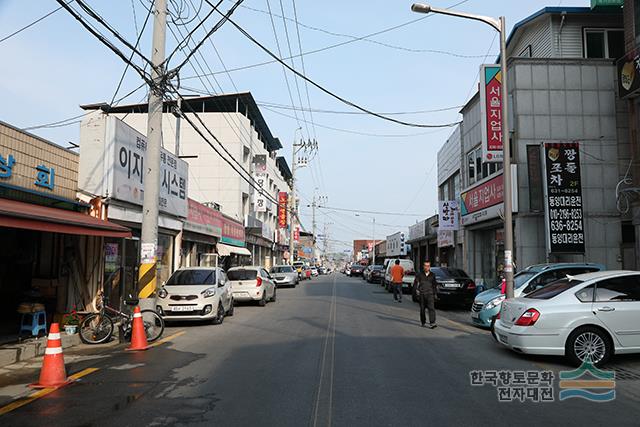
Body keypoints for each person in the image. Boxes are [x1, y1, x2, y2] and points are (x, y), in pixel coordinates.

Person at [413, 261, 438, 328]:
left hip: (430, 294)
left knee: (431, 308)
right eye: (425, 266)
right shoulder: (419, 274)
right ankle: (423, 321)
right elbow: (416, 283)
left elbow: (434, 285)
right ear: (423, 266)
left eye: (428, 266)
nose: (427, 267)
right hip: (422, 294)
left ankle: (432, 322)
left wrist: (435, 294)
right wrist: (416, 291)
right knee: (422, 309)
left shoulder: (432, 275)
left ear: (429, 267)